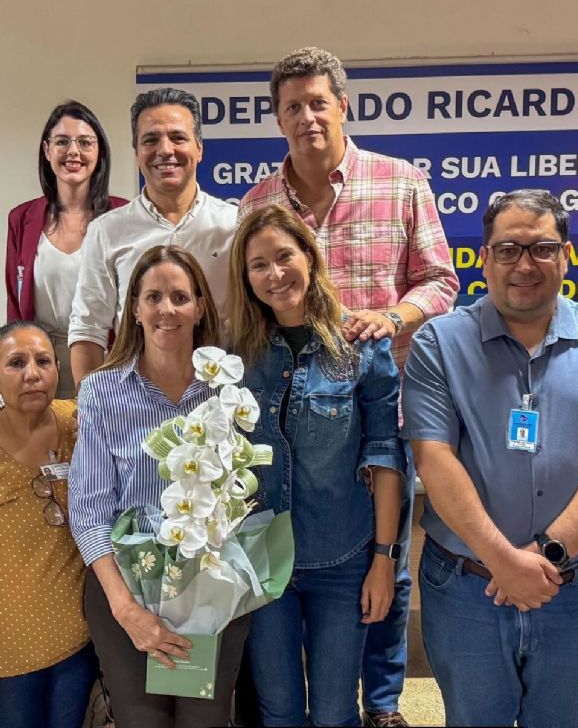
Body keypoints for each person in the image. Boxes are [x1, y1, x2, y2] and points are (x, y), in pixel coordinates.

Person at [238, 46, 459, 727]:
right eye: (292, 107)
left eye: (317, 102)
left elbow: (441, 281)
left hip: (381, 404)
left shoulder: (401, 182)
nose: (306, 116)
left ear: (342, 105)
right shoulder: (258, 202)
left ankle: (382, 704)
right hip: (292, 413)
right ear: (278, 119)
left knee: (382, 566)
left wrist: (391, 319)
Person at [401, 189, 578, 727]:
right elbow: (433, 459)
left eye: (542, 248)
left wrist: (546, 554)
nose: (525, 265)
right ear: (484, 258)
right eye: (508, 249)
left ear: (566, 255)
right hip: (466, 589)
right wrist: (503, 561)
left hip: (576, 589)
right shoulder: (439, 343)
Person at [227, 205, 405, 727]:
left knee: (333, 713)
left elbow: (386, 456)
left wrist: (384, 561)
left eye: (285, 256)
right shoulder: (236, 355)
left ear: (309, 255)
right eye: (259, 265)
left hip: (342, 557)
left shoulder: (360, 347)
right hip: (262, 562)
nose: (275, 274)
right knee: (279, 711)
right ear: (246, 277)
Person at [68, 246, 250, 728]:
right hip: (125, 587)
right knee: (143, 720)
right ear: (134, 308)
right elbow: (89, 512)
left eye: (180, 297)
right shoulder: (102, 391)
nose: (167, 309)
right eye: (153, 297)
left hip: (210, 591)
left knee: (204, 719)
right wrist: (126, 609)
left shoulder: (226, 390)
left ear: (200, 307)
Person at [68, 87, 236, 388]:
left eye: (178, 137)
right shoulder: (106, 231)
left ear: (199, 148)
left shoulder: (234, 225)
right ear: (136, 153)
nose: (165, 150)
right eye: (151, 140)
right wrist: (93, 404)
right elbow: (88, 330)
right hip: (135, 400)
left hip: (221, 398)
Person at [0, 321, 98, 728]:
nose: (33, 374)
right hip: (10, 649)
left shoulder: (80, 422)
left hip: (78, 637)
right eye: (16, 363)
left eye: (43, 361)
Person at [6, 101, 127, 397]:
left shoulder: (123, 216)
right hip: (41, 365)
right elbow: (14, 304)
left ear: (99, 152)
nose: (73, 151)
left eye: (85, 142)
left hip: (107, 362)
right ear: (47, 150)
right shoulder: (21, 218)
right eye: (62, 142)